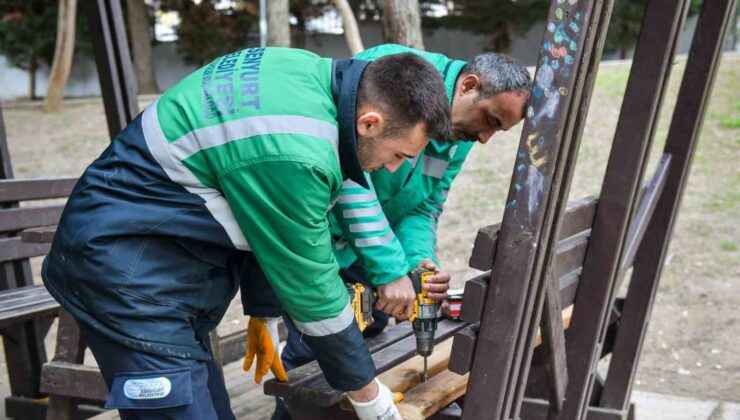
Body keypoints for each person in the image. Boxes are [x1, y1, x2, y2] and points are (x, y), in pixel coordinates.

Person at [41, 47, 451, 420]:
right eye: (399, 155)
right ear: (369, 122)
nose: (395, 169)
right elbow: (313, 290)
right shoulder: (300, 151)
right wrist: (371, 399)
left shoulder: (309, 77)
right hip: (123, 275)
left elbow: (260, 213)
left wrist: (264, 308)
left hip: (164, 266)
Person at [259, 44, 532, 420]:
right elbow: (351, 173)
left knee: (370, 334)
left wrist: (419, 262)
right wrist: (390, 269)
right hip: (313, 238)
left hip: (362, 249)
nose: (486, 137)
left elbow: (422, 205)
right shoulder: (395, 74)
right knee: (313, 356)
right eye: (491, 120)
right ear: (469, 86)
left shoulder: (457, 132)